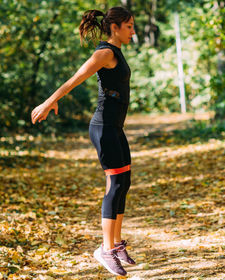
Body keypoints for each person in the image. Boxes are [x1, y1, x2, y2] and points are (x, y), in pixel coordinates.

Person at [31, 7, 136, 276]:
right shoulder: (104, 53)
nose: (133, 31)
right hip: (104, 128)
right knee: (115, 185)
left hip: (115, 127)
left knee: (124, 182)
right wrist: (50, 101)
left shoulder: (116, 51)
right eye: (129, 26)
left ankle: (115, 244)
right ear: (115, 27)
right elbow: (76, 78)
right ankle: (105, 248)